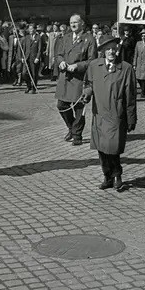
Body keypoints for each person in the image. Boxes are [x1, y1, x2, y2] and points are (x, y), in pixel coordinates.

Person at [82, 34, 137, 192]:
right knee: (101, 147)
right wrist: (87, 93)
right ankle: (107, 176)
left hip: (116, 114)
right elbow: (88, 83)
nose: (111, 52)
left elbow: (131, 95)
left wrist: (131, 117)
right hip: (99, 113)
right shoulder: (94, 65)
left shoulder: (125, 68)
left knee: (112, 147)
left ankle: (117, 175)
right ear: (103, 51)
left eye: (114, 48)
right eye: (108, 49)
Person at [55, 14, 97, 146]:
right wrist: (61, 62)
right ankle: (72, 128)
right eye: (71, 22)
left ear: (82, 24)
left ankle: (77, 135)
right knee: (61, 105)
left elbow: (92, 61)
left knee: (79, 108)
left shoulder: (89, 39)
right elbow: (59, 54)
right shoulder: (66, 37)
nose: (72, 25)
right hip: (65, 78)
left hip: (80, 79)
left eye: (75, 22)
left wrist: (77, 66)